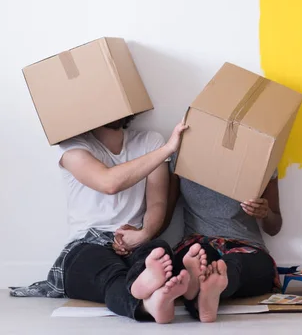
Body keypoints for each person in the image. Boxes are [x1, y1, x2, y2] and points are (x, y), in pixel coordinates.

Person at [10, 116, 209, 324]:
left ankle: (152, 291)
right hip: (86, 245)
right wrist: (168, 149)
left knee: (158, 250)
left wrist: (144, 234)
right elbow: (109, 183)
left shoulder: (150, 141)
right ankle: (146, 303)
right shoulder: (72, 146)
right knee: (107, 272)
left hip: (133, 242)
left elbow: (157, 203)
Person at [164, 155, 283, 323]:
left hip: (246, 246)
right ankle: (205, 288)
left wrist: (265, 213)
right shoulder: (183, 152)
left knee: (235, 265)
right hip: (198, 243)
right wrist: (138, 236)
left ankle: (206, 289)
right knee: (198, 259)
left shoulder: (261, 155)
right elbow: (165, 214)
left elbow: (274, 227)